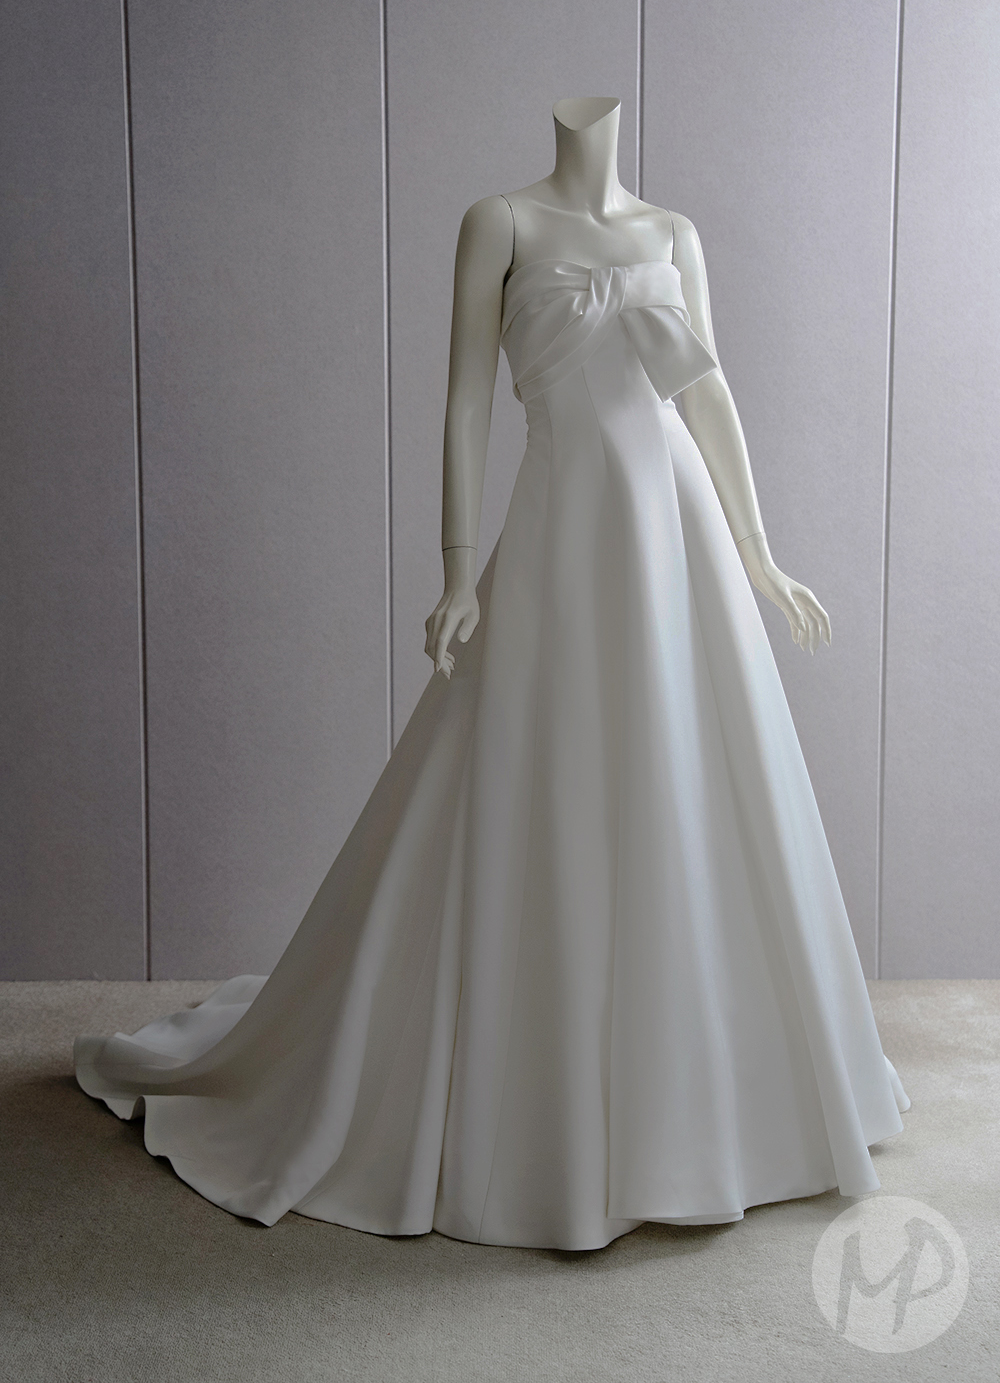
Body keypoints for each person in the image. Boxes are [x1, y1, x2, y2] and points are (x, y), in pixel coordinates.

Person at [76, 96, 908, 1251]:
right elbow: (467, 396)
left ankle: (708, 1104)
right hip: (567, 522)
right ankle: (540, 1104)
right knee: (548, 770)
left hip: (679, 534)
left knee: (693, 778)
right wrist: (459, 572)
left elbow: (705, 391)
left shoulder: (674, 232)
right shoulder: (499, 222)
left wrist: (759, 554)